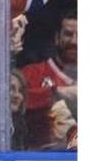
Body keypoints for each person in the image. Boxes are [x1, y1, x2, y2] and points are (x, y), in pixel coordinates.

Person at [21, 10, 77, 150]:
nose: (75, 41)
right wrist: (55, 93)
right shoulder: (32, 73)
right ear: (57, 37)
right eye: (68, 34)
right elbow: (13, 103)